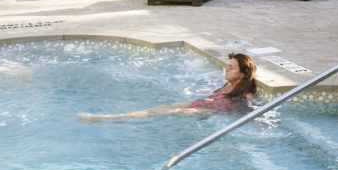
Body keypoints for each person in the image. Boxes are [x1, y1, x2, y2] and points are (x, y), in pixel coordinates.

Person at [78, 53, 257, 121]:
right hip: (201, 104)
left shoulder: (244, 91)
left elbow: (251, 109)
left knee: (166, 112)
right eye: (228, 65)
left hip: (205, 111)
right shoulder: (228, 83)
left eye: (231, 67)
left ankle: (108, 118)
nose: (227, 68)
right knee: (164, 107)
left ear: (242, 74)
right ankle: (111, 117)